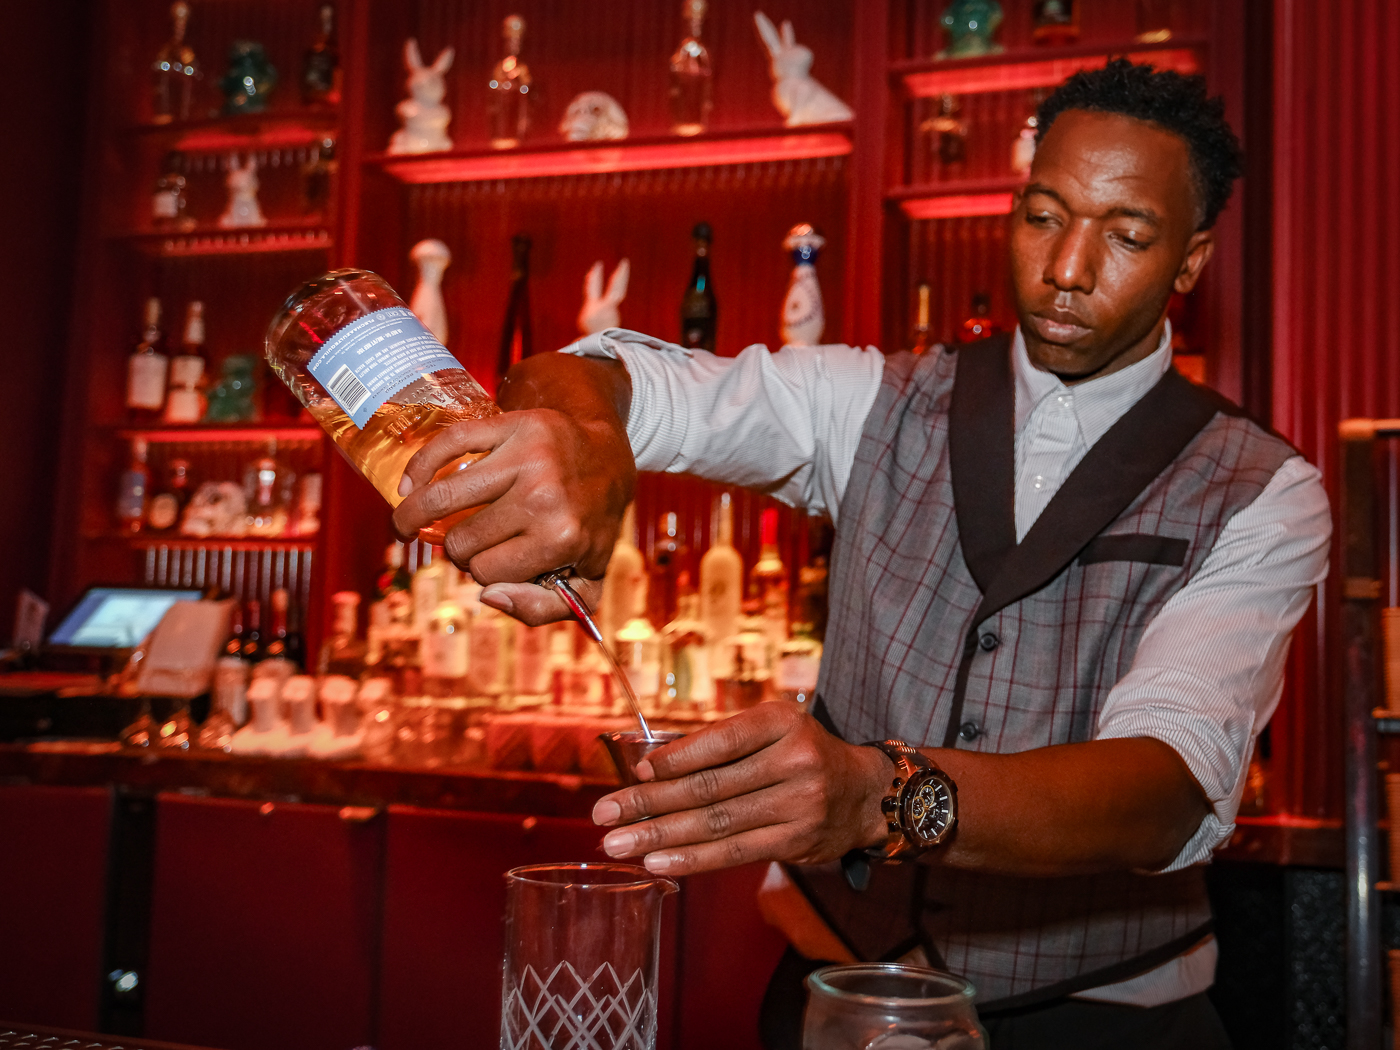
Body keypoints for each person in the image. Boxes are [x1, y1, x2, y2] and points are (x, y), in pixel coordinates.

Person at [391, 60, 1330, 1048]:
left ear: (1189, 261)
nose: (1066, 267)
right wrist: (585, 447)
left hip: (1100, 1020)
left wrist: (877, 796)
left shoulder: (1261, 489)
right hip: (836, 991)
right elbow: (602, 377)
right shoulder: (871, 398)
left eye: (1126, 236)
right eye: (1042, 216)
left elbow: (1166, 786)